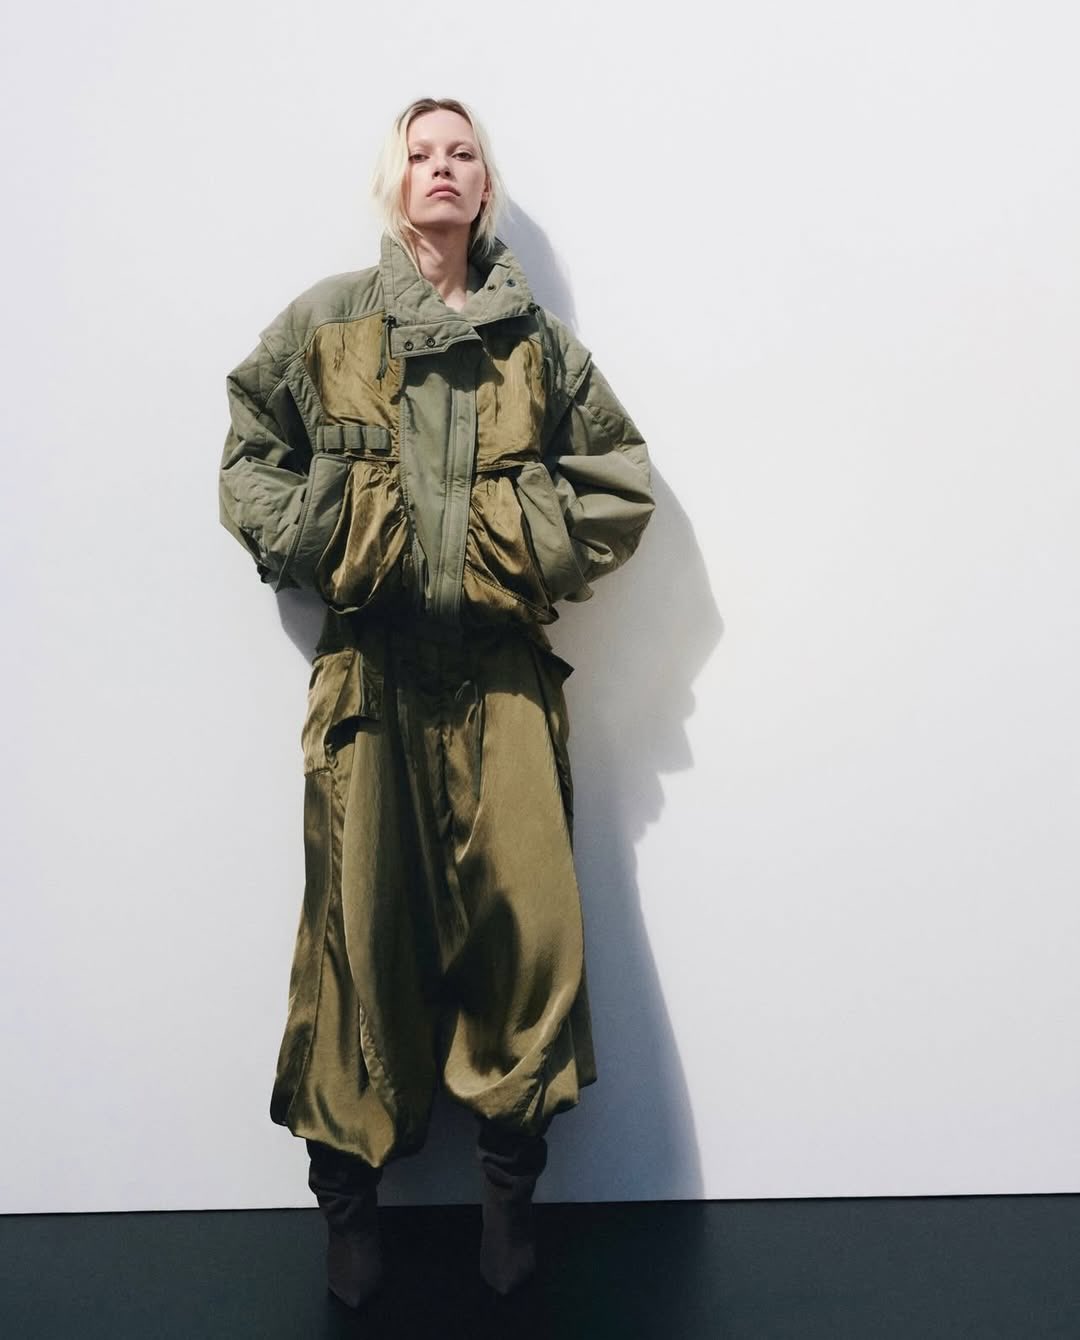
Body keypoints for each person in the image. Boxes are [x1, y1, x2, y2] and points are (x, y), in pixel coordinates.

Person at [218, 95, 654, 1307]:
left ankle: (508, 1204)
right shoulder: (326, 325)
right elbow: (248, 456)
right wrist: (334, 533)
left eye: (463, 153)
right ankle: (350, 1212)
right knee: (355, 941)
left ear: (485, 184)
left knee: (529, 935)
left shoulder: (537, 344)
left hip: (503, 678)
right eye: (422, 153)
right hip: (370, 676)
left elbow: (620, 483)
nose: (443, 168)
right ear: (394, 180)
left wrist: (512, 544)